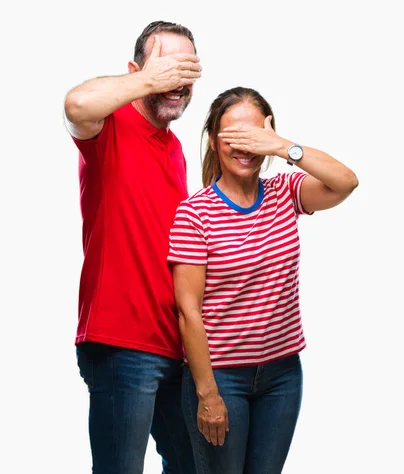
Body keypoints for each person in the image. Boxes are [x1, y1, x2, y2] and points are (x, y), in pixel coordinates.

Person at [167, 86, 359, 474]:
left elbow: (346, 182)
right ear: (212, 141)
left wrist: (284, 146)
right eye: (233, 136)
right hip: (220, 378)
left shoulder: (284, 193)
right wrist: (208, 395)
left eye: (253, 136)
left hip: (282, 376)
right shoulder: (194, 214)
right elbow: (188, 311)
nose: (244, 147)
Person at [63, 21, 202, 474]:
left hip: (174, 344)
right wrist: (149, 78)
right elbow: (76, 103)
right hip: (122, 343)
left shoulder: (176, 149)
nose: (177, 80)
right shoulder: (109, 125)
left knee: (195, 464)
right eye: (167, 65)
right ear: (136, 70)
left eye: (187, 69)